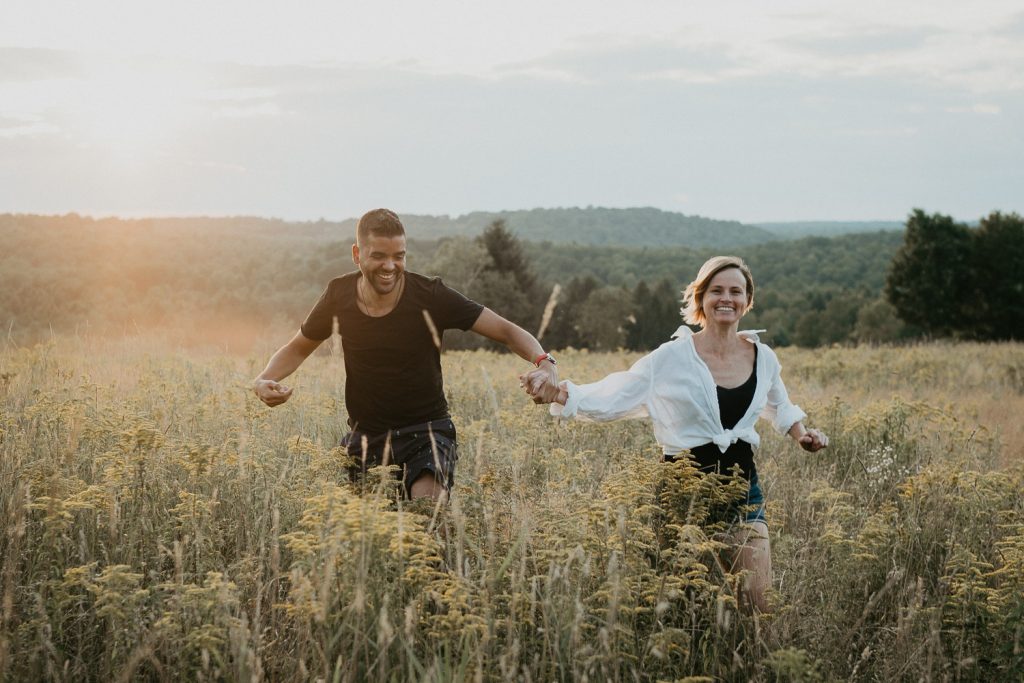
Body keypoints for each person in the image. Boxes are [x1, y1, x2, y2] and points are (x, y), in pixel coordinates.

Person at [521, 255, 827, 612]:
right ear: (700, 299)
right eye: (716, 291)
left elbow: (778, 403)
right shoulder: (672, 356)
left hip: (743, 491)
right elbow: (618, 392)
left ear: (747, 300)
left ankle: (757, 667)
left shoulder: (764, 357)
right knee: (681, 608)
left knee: (759, 605)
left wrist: (802, 435)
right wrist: (558, 393)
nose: (726, 298)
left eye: (735, 291)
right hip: (682, 494)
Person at [253, 208, 560, 501]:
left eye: (398, 257)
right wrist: (265, 378)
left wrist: (544, 363)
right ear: (357, 255)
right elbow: (298, 346)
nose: (390, 266)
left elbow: (506, 330)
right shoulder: (339, 295)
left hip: (427, 433)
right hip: (365, 437)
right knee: (363, 543)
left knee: (428, 521)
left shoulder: (430, 295)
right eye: (379, 256)